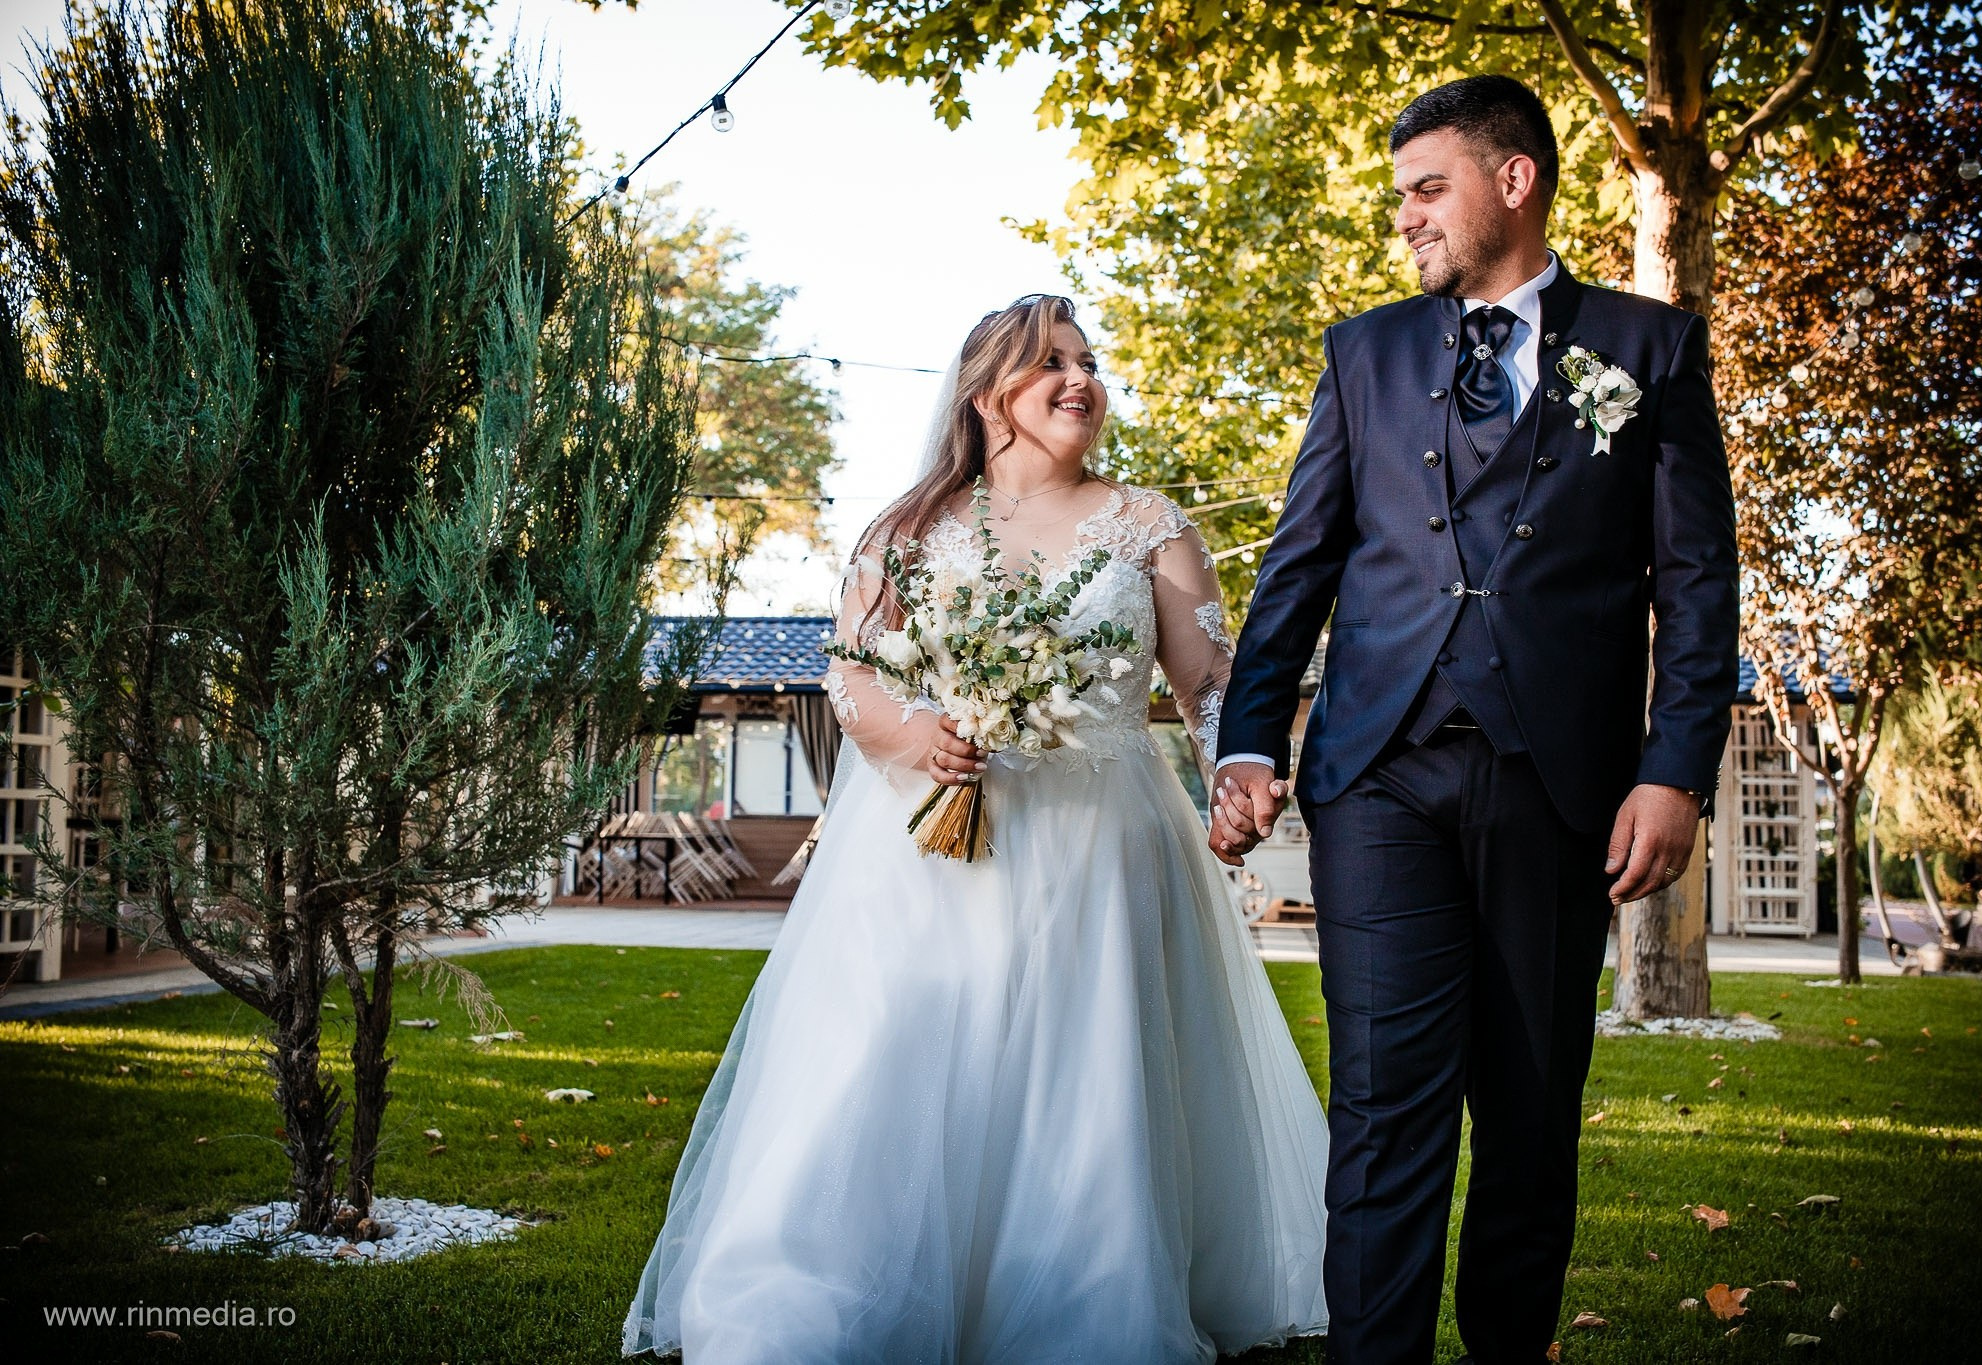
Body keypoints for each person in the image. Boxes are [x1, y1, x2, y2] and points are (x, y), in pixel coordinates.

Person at [623, 294, 1329, 1363]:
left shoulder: (1150, 526)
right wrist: (917, 742)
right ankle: (836, 1292)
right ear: (986, 391)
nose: (1080, 381)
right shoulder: (904, 532)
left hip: (1105, 841)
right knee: (898, 1060)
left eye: (1087, 362)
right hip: (927, 850)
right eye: (1050, 363)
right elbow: (853, 678)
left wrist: (1238, 773)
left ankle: (1083, 1298)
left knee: (1091, 1078)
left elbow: (1210, 688)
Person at [1210, 76, 1739, 1365]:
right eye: (1398, 196)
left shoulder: (1646, 347)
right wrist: (1246, 740)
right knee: (1385, 1111)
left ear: (1513, 181)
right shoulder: (1363, 351)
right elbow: (1299, 565)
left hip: (1560, 787)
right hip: (1376, 774)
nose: (1404, 218)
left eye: (1424, 187)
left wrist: (1673, 772)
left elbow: (1695, 582)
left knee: (1527, 1111)